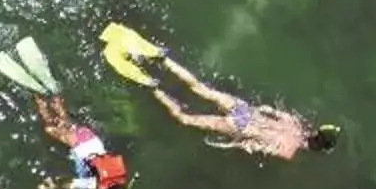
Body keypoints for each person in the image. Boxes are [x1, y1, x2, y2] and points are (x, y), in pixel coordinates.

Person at [146, 57, 340, 160]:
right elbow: (256, 145)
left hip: (245, 111)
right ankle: (153, 86)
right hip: (239, 126)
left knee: (201, 88)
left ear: (317, 132)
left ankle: (165, 60)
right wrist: (231, 144)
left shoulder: (295, 123)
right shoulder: (287, 152)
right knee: (185, 118)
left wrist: (256, 111)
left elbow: (268, 110)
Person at [30, 95, 132, 189]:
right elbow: (70, 183)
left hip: (91, 138)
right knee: (49, 127)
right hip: (78, 143)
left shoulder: (119, 177)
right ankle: (38, 99)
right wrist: (54, 186)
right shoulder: (94, 184)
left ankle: (56, 98)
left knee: (67, 121)